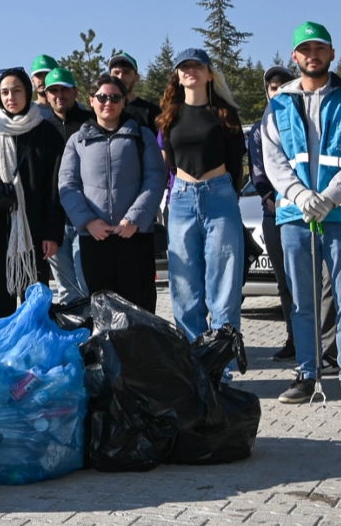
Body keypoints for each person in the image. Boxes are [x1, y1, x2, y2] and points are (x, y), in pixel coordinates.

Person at [262, 23, 341, 407]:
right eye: (304, 49)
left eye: (320, 48)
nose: (313, 55)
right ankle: (307, 374)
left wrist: (326, 197)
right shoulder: (277, 105)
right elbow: (274, 161)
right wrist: (299, 194)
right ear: (294, 57)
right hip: (295, 217)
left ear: (330, 55)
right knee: (301, 302)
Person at [0, 67, 66, 321]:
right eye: (5, 92)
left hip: (35, 233)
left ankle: (36, 354)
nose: (11, 97)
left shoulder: (46, 132)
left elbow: (55, 187)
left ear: (27, 92)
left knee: (37, 306)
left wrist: (52, 232)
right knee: (0, 304)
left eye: (17, 91)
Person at [159, 48, 247, 350]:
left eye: (197, 66)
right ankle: (194, 360)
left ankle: (221, 364)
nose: (190, 71)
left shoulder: (225, 114)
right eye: (184, 67)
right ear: (177, 76)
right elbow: (169, 162)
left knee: (223, 286)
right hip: (182, 199)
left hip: (220, 197)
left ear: (209, 74)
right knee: (184, 287)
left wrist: (227, 194)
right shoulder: (170, 116)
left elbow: (236, 164)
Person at [58, 74, 167, 309]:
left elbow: (156, 178)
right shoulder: (77, 141)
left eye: (115, 97)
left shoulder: (142, 136)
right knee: (102, 308)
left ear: (124, 101)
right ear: (91, 100)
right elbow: (67, 185)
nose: (108, 102)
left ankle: (138, 347)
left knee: (140, 307)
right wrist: (87, 222)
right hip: (95, 238)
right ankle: (107, 348)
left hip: (134, 236)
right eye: (102, 97)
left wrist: (135, 219)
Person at [248, 65, 298, 359]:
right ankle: (294, 337)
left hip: (307, 213)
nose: (277, 90)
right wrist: (270, 198)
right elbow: (259, 171)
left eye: (283, 85)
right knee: (285, 281)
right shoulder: (259, 128)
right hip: (274, 213)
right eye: (272, 86)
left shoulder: (306, 121)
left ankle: (323, 340)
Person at [42, 66, 95, 304]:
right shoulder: (41, 130)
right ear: (46, 94)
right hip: (55, 222)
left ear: (75, 91)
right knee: (65, 289)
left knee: (88, 285)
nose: (59, 95)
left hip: (87, 216)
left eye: (64, 90)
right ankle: (73, 336)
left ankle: (92, 335)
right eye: (53, 90)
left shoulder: (91, 124)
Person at [108, 51, 163, 132]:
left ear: (136, 78)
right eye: (116, 73)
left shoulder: (151, 112)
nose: (120, 77)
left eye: (126, 72)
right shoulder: (103, 109)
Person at [29, 54, 60, 119]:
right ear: (32, 80)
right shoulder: (28, 112)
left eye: (47, 74)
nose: (43, 79)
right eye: (39, 75)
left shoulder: (73, 109)